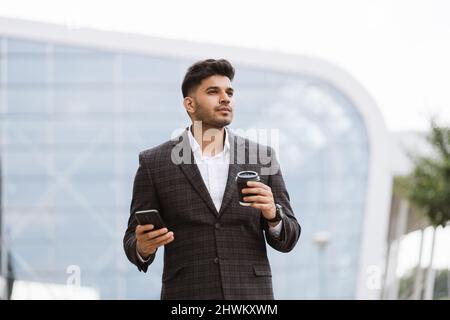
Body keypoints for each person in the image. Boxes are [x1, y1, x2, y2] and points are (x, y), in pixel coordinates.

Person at [123, 58, 301, 300]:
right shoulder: (154, 162)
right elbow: (132, 240)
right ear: (190, 104)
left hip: (251, 298)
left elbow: (288, 238)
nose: (225, 98)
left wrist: (273, 215)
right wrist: (143, 247)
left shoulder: (261, 158)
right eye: (213, 92)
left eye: (229, 92)